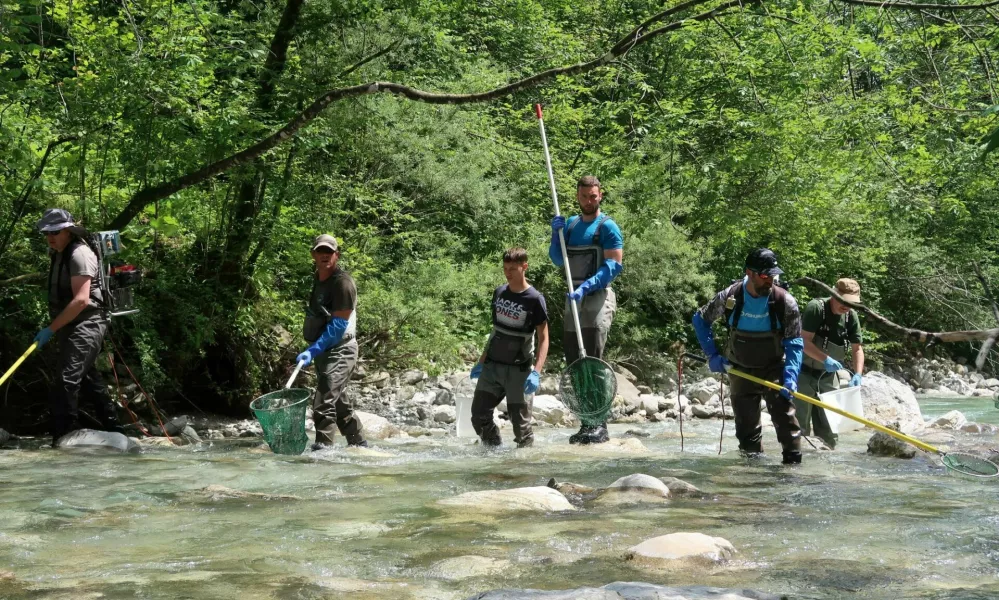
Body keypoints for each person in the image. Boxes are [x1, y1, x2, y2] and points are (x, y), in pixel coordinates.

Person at [691, 248, 805, 464]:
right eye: (764, 276)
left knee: (786, 421)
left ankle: (792, 471)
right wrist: (712, 355)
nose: (770, 281)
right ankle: (751, 477)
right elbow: (700, 320)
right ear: (749, 273)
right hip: (739, 369)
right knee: (746, 431)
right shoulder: (730, 297)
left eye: (772, 276)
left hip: (774, 368)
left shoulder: (785, 302)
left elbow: (794, 342)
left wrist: (791, 375)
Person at [34, 208, 124, 445]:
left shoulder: (79, 254)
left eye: (56, 231)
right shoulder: (58, 252)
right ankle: (116, 427)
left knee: (66, 379)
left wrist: (50, 329)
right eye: (47, 232)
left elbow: (82, 299)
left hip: (88, 322)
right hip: (70, 323)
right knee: (86, 377)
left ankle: (64, 437)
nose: (50, 237)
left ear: (68, 231)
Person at [548, 175, 623, 444]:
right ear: (577, 196)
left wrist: (588, 285)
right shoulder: (570, 225)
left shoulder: (608, 227)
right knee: (575, 361)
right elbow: (558, 259)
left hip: (597, 297)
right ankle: (586, 421)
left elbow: (614, 266)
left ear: (600, 195)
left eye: (593, 196)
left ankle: (599, 424)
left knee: (592, 359)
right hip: (573, 298)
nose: (589, 201)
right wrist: (555, 237)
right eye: (584, 197)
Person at [469, 248, 549, 448]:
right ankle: (494, 452)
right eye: (505, 268)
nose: (508, 273)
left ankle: (523, 465)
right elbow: (495, 332)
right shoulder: (499, 293)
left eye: (513, 268)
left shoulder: (534, 299)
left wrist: (536, 372)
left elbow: (544, 338)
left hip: (519, 371)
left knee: (521, 427)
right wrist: (481, 362)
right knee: (479, 416)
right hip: (492, 368)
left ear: (525, 267)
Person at [295, 234, 367, 449]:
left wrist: (312, 350)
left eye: (329, 251)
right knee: (338, 403)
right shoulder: (318, 280)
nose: (324, 255)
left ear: (337, 255)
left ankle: (322, 453)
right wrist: (315, 348)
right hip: (325, 350)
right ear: (313, 255)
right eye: (320, 251)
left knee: (324, 401)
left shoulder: (343, 283)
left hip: (342, 349)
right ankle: (360, 445)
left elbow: (337, 326)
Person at [796, 278, 865, 450]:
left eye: (852, 303)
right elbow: (803, 341)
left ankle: (826, 471)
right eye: (843, 301)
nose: (846, 306)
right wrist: (825, 359)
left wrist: (857, 374)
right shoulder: (816, 308)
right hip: (802, 374)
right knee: (799, 428)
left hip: (828, 377)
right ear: (833, 294)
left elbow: (857, 349)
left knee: (830, 430)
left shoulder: (851, 316)